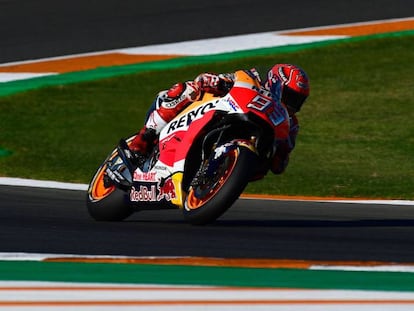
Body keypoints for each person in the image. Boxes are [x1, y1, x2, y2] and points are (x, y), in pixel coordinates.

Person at [129, 64, 310, 175]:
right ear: (275, 84)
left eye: (297, 101)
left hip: (245, 143)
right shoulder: (252, 78)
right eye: (289, 96)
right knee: (187, 89)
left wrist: (279, 153)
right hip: (213, 112)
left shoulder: (290, 124)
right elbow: (209, 79)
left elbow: (279, 166)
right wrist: (216, 82)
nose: (292, 104)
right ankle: (143, 138)